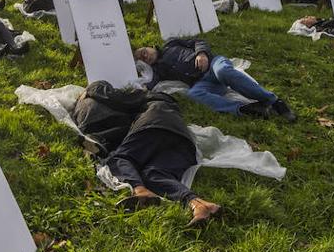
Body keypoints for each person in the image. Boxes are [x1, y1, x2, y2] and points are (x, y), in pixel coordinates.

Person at [71, 82, 222, 227]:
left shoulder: (148, 97)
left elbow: (113, 96)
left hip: (154, 125)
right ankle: (199, 204)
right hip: (184, 141)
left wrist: (90, 90)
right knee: (155, 174)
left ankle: (141, 191)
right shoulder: (167, 107)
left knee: (119, 158)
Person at [133, 39, 296, 122]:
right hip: (203, 82)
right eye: (141, 58)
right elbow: (151, 84)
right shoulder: (157, 71)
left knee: (224, 71)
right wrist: (141, 89)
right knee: (193, 94)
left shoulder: (170, 44)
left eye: (143, 51)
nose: (144, 55)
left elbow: (198, 41)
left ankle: (274, 101)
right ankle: (248, 109)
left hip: (214, 64)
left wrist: (201, 53)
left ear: (149, 46)